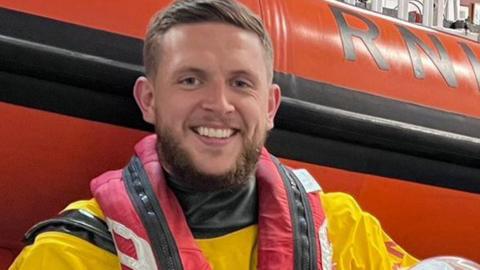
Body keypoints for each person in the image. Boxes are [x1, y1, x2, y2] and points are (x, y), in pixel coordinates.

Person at [10, 0, 476, 269]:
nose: (219, 104)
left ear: (270, 106)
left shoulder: (344, 232)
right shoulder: (69, 257)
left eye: (241, 83)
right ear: (148, 100)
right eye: (190, 80)